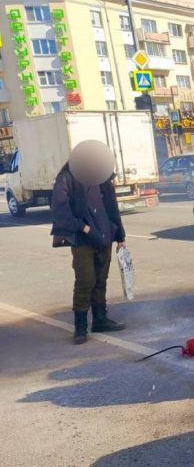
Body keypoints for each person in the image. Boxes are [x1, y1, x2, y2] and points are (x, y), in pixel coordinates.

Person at [50, 141, 127, 344]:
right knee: (85, 281)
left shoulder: (101, 177)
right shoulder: (66, 177)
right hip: (83, 239)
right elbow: (59, 211)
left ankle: (100, 320)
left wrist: (120, 236)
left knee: (101, 280)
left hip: (105, 235)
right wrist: (81, 227)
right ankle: (81, 327)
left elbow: (112, 207)